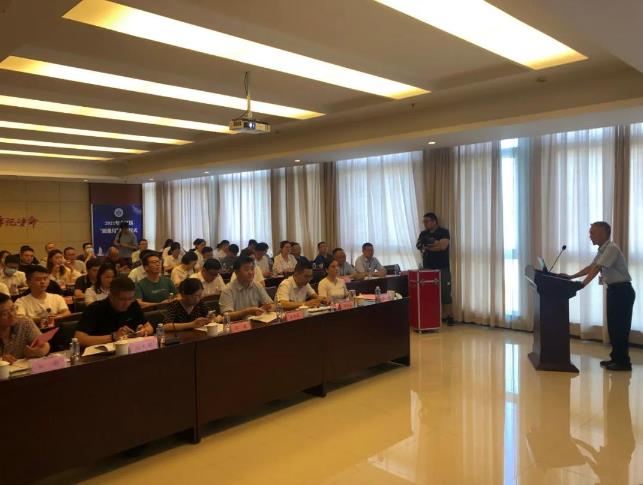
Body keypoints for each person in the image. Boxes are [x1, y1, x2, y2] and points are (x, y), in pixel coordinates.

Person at [562, 221, 636, 371]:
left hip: (622, 291)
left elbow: (597, 268)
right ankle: (616, 358)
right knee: (613, 328)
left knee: (620, 328)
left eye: (592, 232)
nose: (590, 236)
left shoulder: (611, 248)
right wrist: (571, 277)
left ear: (603, 233)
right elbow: (591, 267)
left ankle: (623, 363)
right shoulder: (603, 250)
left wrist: (583, 284)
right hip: (614, 290)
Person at [75, 276, 154, 347]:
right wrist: (113, 337)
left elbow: (149, 328)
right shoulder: (95, 309)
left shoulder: (133, 304)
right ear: (111, 296)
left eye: (130, 299)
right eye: (122, 299)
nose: (127, 303)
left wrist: (142, 332)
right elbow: (79, 339)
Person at [416, 212, 454, 325]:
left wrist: (428, 246)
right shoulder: (423, 233)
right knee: (429, 293)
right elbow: (419, 246)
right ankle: (433, 317)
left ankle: (450, 316)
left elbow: (443, 246)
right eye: (424, 221)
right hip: (427, 268)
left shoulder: (443, 232)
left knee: (445, 293)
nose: (425, 223)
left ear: (434, 221)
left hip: (442, 267)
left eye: (427, 221)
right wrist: (434, 243)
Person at [219, 256, 273, 321]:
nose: (250, 272)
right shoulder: (228, 290)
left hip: (256, 322)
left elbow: (271, 304)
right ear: (236, 272)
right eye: (246, 270)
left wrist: (268, 307)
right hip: (238, 325)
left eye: (252, 269)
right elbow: (227, 315)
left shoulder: (257, 285)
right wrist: (247, 312)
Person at [0, 293, 49, 362]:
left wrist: (37, 351)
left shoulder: (24, 323)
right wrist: (1, 360)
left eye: (13, 309)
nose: (12, 315)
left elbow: (45, 345)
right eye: (5, 313)